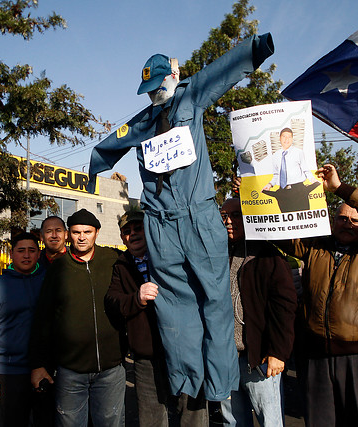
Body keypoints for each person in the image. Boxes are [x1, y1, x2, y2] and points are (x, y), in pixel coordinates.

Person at [86, 32, 275, 403]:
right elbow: (111, 142)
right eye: (149, 89)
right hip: (160, 223)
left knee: (215, 299)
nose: (156, 94)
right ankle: (188, 381)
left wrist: (256, 48)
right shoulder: (141, 123)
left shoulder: (192, 94)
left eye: (159, 85)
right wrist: (95, 167)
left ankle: (220, 384)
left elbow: (223, 70)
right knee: (175, 302)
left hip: (199, 216)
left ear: (172, 76)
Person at [275, 164, 358, 427]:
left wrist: (340, 189)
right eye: (342, 218)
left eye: (355, 220)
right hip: (316, 355)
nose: (347, 224)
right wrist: (251, 197)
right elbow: (280, 231)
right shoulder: (315, 247)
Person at [105, 210, 208, 426]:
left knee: (192, 414)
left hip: (184, 350)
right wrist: (137, 298)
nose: (133, 234)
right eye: (127, 231)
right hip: (147, 357)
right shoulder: (121, 265)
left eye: (137, 228)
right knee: (151, 418)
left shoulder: (172, 254)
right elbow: (112, 302)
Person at [30, 208, 125, 426]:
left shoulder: (113, 259)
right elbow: (43, 318)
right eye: (76, 232)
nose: (81, 237)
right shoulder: (59, 268)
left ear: (97, 233)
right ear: (68, 235)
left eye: (87, 232)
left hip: (110, 369)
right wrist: (38, 364)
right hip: (70, 371)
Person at [219, 198, 297, 426]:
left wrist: (278, 352)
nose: (228, 222)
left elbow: (285, 307)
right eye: (224, 215)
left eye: (235, 215)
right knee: (232, 422)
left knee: (270, 421)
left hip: (259, 359)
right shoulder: (217, 254)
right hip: (226, 359)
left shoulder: (268, 256)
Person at [0, 233, 46, 426]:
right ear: (11, 254)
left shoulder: (48, 281)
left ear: (38, 254)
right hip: (12, 372)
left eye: (32, 250)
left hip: (46, 370)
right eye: (21, 251)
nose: (26, 255)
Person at [261, 128, 319, 212]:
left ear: (292, 139)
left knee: (302, 216)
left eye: (289, 137)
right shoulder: (276, 155)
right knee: (286, 217)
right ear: (280, 138)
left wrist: (312, 179)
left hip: (299, 191)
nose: (286, 139)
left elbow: (305, 169)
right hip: (283, 192)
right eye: (284, 136)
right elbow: (276, 175)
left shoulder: (298, 152)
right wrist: (270, 185)